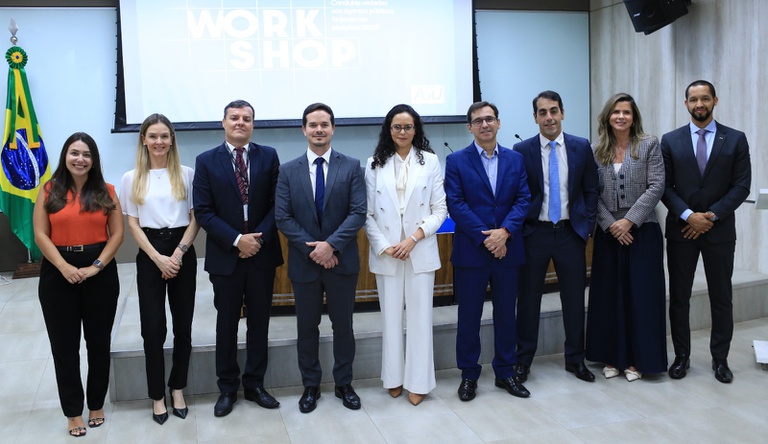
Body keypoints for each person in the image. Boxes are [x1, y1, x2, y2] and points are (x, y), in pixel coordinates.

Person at [193, 100, 283, 417]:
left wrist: (256, 239)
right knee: (227, 324)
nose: (240, 123)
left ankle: (255, 384)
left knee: (259, 323)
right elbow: (204, 211)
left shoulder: (269, 156)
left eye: (247, 118)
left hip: (261, 252)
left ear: (253, 124)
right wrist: (236, 240)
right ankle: (228, 388)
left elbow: (278, 203)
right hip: (226, 256)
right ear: (223, 123)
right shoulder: (206, 161)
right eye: (234, 118)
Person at [275, 103, 366, 413]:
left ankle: (344, 383)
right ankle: (310, 386)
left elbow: (357, 212)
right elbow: (283, 217)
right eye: (312, 124)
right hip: (305, 263)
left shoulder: (351, 166)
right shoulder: (288, 170)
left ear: (333, 128)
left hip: (342, 262)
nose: (318, 129)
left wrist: (332, 246)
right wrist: (316, 249)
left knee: (344, 326)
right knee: (307, 327)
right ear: (304, 129)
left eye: (324, 124)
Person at [33, 132, 123, 437]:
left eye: (86, 154)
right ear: (65, 156)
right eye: (75, 153)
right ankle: (73, 411)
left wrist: (96, 266)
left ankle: (96, 403)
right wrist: (64, 267)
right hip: (58, 275)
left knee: (99, 343)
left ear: (94, 160)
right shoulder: (48, 191)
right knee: (64, 347)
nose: (80, 159)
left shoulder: (107, 191)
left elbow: (118, 235)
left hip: (100, 273)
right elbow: (41, 235)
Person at [660, 80, 751, 384]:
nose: (700, 104)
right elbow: (665, 187)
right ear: (685, 104)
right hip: (681, 231)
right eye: (693, 99)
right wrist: (688, 215)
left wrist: (710, 216)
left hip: (719, 230)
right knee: (680, 298)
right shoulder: (670, 141)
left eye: (705, 99)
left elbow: (741, 186)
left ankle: (720, 360)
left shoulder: (735, 139)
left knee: (721, 297)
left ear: (715, 101)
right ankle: (682, 356)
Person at [444, 101, 531, 402]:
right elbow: (456, 204)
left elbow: (523, 200)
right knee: (469, 317)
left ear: (498, 123)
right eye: (478, 120)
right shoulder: (456, 161)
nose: (485, 124)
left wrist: (505, 232)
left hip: (508, 249)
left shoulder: (515, 159)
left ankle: (505, 372)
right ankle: (469, 375)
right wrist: (487, 238)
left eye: (490, 119)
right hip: (472, 251)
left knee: (506, 314)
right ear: (469, 127)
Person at [364, 104, 447, 406]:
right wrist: (385, 245)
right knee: (390, 319)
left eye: (408, 127)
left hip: (419, 248)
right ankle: (394, 378)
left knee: (420, 318)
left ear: (416, 130)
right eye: (397, 127)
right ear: (389, 129)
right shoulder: (374, 163)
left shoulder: (431, 162)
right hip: (387, 252)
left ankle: (419, 382)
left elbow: (440, 209)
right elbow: (368, 213)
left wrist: (413, 238)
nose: (402, 132)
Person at [120, 114, 200, 423]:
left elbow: (196, 218)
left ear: (172, 139)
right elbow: (133, 224)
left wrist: (177, 254)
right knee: (153, 329)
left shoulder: (187, 174)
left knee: (183, 326)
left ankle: (177, 387)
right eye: (153, 136)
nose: (159, 141)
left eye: (165, 136)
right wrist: (158, 258)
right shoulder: (131, 178)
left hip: (182, 249)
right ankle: (157, 395)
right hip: (150, 254)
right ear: (143, 139)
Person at [514, 90, 598, 383]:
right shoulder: (521, 150)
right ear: (535, 117)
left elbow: (590, 190)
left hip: (569, 234)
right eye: (542, 112)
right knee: (527, 301)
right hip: (533, 234)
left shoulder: (580, 146)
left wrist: (585, 228)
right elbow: (519, 195)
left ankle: (575, 359)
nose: (548, 117)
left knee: (574, 300)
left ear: (562, 113)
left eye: (553, 111)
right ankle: (523, 360)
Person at [584, 93, 667, 382]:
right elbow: (590, 193)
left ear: (634, 117)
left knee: (642, 297)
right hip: (608, 235)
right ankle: (613, 357)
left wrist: (629, 221)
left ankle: (638, 360)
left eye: (627, 112)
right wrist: (612, 225)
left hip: (643, 232)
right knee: (610, 297)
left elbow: (656, 186)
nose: (621, 116)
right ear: (607, 116)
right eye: (616, 112)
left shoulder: (649, 144)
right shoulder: (595, 150)